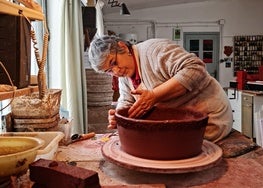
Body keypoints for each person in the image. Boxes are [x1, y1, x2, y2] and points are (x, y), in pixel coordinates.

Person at [88, 35, 233, 142]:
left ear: (123, 47)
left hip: (209, 120)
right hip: (179, 127)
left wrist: (155, 95)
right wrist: (119, 116)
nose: (116, 71)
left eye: (114, 62)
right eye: (109, 71)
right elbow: (126, 100)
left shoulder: (154, 50)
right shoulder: (124, 77)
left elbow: (195, 68)